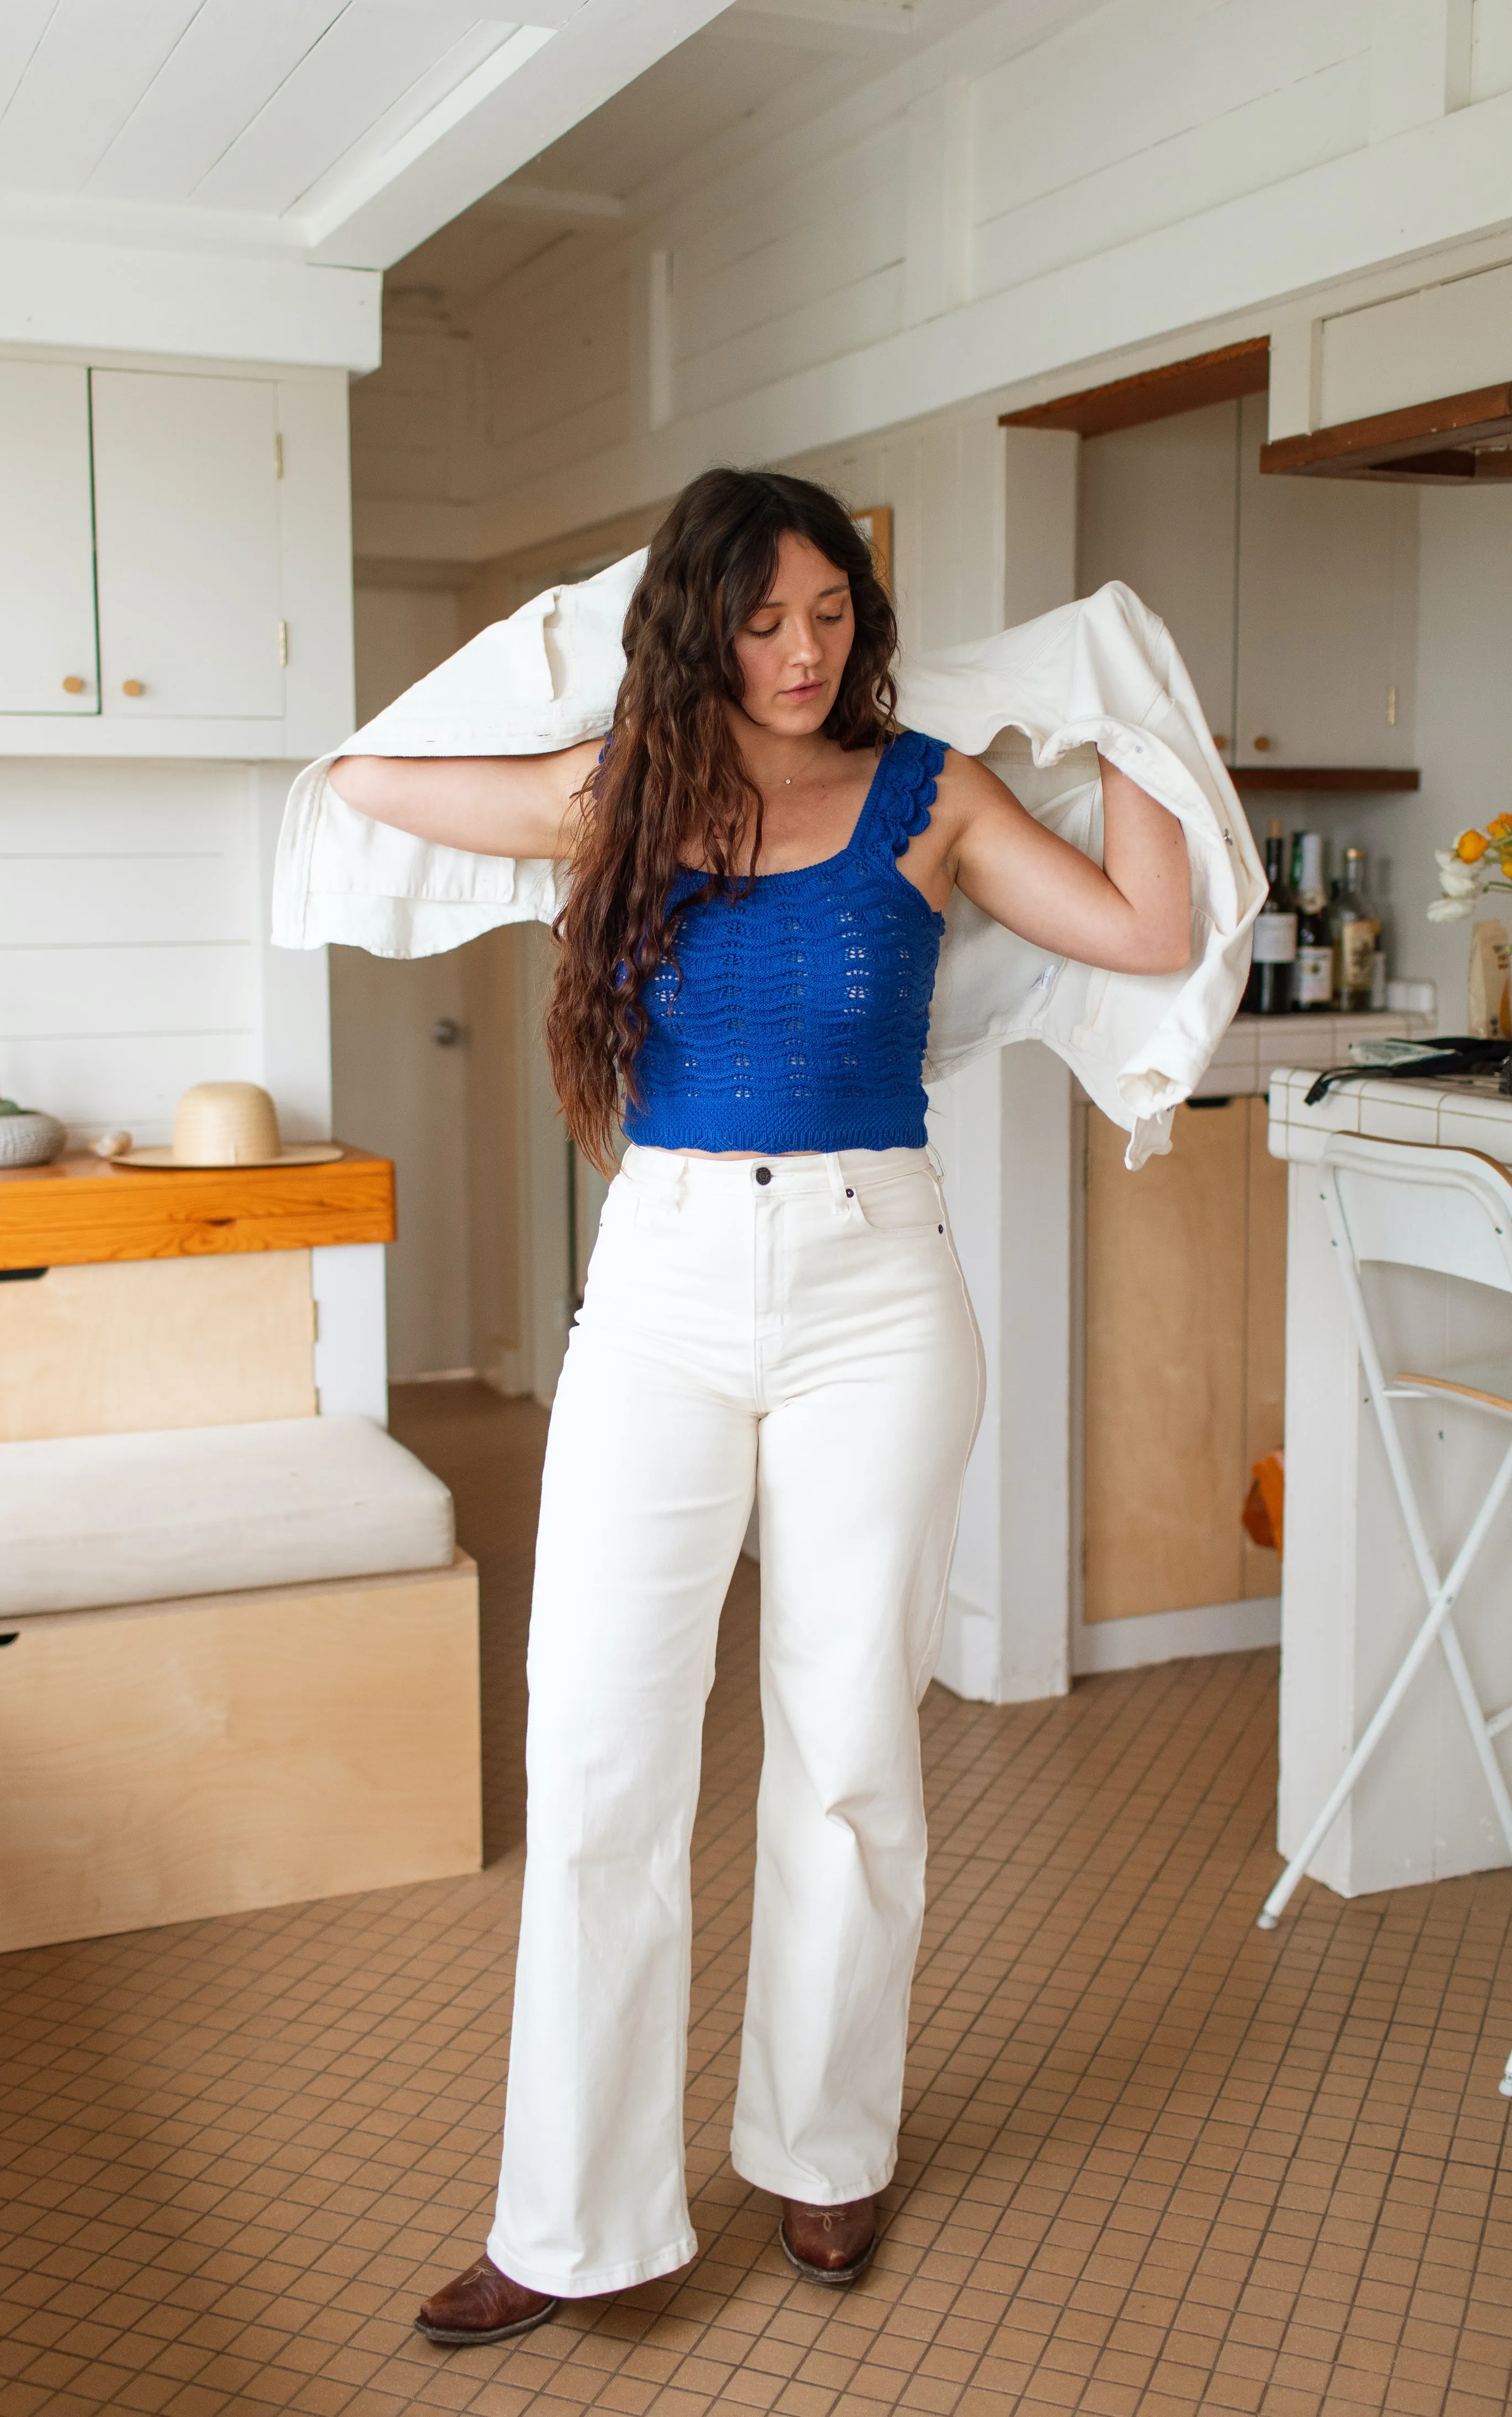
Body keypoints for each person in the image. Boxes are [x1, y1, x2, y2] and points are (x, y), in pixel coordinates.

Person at [329, 467, 1190, 2347]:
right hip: (658, 1287)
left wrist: (1123, 712)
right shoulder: (615, 795)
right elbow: (370, 779)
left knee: (849, 1745)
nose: (802, 652)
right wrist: (578, 651)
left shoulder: (932, 788)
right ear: (694, 624)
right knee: (598, 1752)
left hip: (880, 1289)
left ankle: (822, 2142)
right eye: (760, 616)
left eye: (828, 613)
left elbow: (1141, 927)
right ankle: (572, 2223)